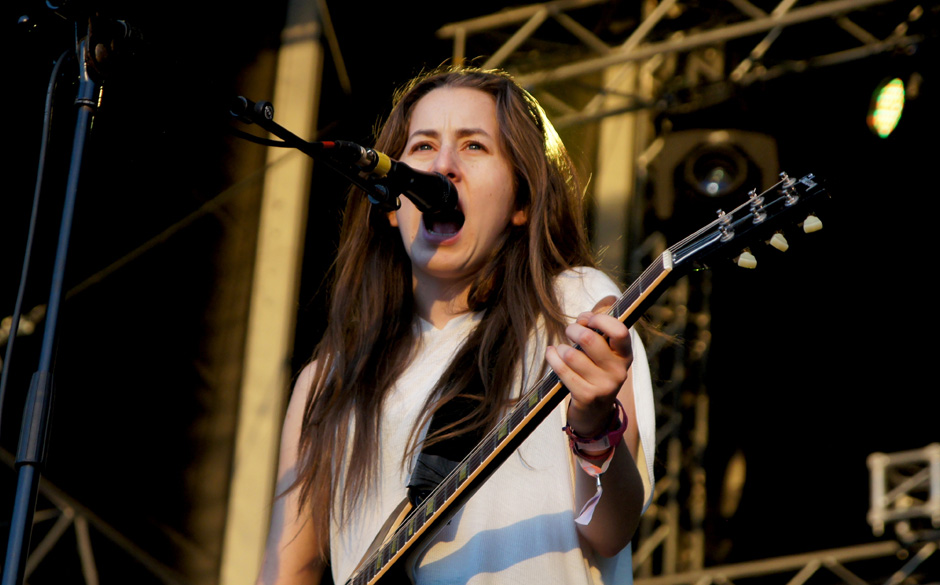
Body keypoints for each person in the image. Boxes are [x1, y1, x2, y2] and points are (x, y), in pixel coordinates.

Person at [257, 66, 656, 585]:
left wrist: (596, 428)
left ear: (520, 201)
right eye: (423, 146)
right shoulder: (332, 380)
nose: (443, 165)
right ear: (390, 204)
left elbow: (610, 530)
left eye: (474, 146)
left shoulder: (572, 308)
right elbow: (286, 571)